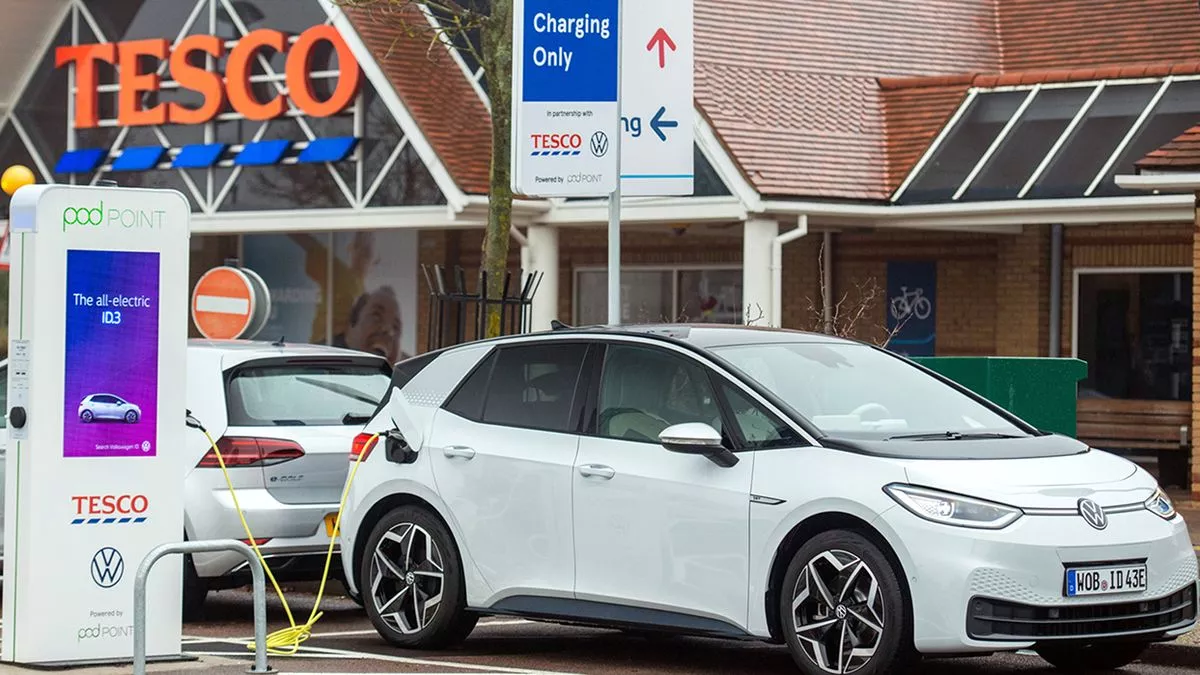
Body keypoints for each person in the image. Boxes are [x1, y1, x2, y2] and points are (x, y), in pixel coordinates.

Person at [333, 285, 408, 364]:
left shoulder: (410, 371)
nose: (388, 330)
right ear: (352, 322)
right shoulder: (324, 360)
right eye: (376, 316)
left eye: (395, 327)